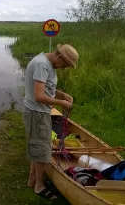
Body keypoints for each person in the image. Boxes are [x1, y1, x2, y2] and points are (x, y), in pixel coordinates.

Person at [23, 44, 79, 200]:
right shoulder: (42, 64)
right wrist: (62, 104)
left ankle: (32, 179)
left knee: (38, 146)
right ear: (59, 56)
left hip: (39, 112)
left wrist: (62, 95)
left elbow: (47, 87)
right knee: (42, 151)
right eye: (66, 64)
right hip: (37, 113)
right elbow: (39, 96)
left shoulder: (47, 63)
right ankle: (39, 186)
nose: (65, 68)